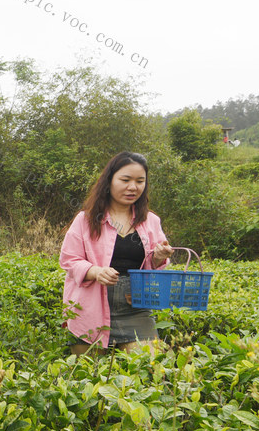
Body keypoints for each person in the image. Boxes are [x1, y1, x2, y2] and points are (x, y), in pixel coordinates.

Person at [59, 151, 174, 352]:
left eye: (140, 181)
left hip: (135, 308)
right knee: (87, 374)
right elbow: (69, 259)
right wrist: (95, 271)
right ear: (109, 181)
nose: (133, 187)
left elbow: (154, 264)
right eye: (125, 179)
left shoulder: (151, 221)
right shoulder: (85, 220)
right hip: (90, 306)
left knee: (149, 367)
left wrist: (159, 256)